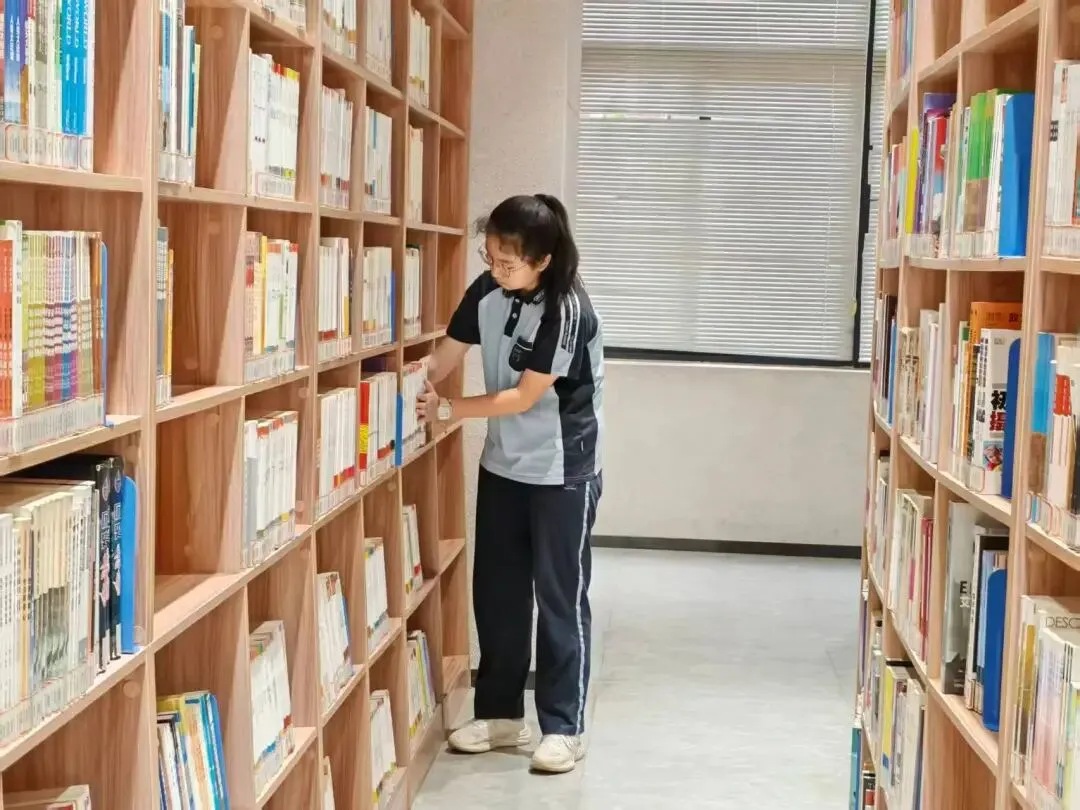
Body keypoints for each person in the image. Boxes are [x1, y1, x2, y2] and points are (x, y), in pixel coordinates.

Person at [416, 193, 604, 774]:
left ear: (542, 260)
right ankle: (500, 716)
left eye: (508, 262)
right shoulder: (486, 291)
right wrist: (398, 382)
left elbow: (524, 396)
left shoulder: (567, 309)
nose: (495, 270)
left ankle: (564, 727)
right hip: (503, 465)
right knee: (497, 594)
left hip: (561, 471)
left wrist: (447, 411)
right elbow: (444, 358)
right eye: (490, 257)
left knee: (559, 599)